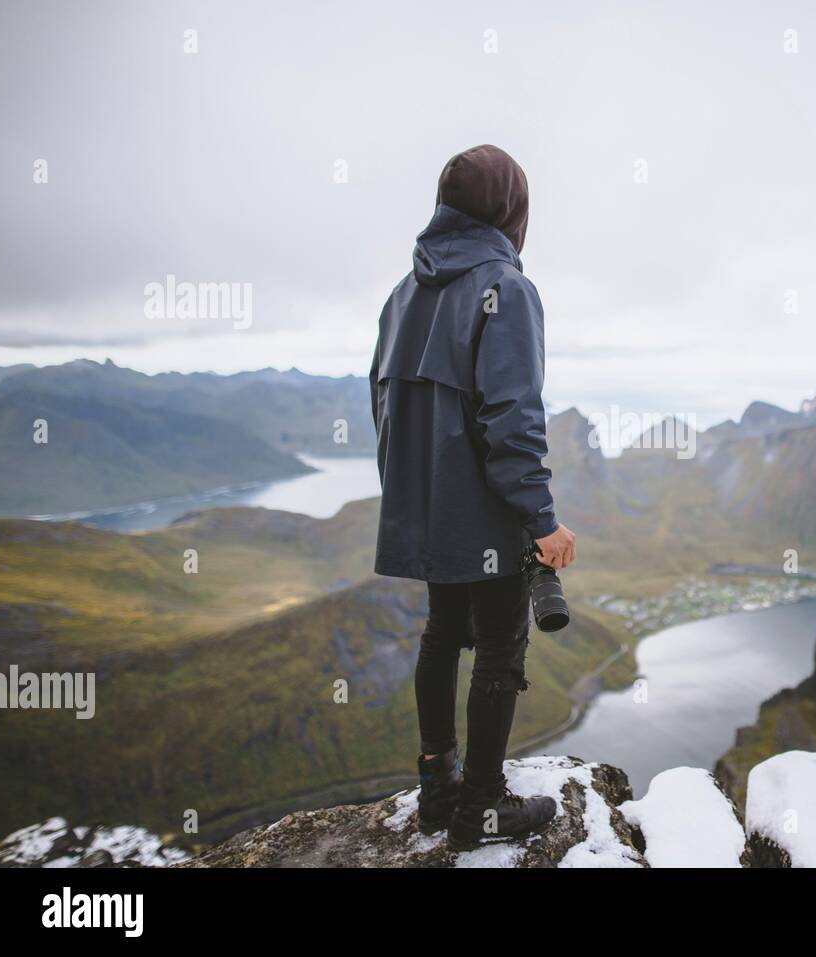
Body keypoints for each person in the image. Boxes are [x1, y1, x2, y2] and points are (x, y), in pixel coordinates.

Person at [369, 144, 577, 850]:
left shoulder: (404, 293)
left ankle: (438, 790)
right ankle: (482, 804)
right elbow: (512, 417)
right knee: (499, 645)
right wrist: (542, 520)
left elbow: (384, 404)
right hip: (486, 508)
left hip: (428, 506)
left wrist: (414, 493)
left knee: (439, 636)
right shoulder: (506, 290)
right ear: (511, 210)